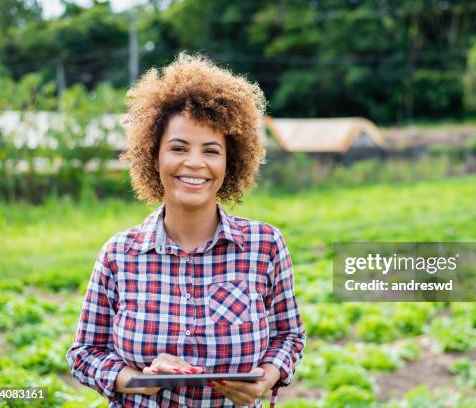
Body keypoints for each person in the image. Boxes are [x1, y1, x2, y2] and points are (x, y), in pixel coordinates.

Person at [66, 53, 306, 408]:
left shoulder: (265, 245)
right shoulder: (119, 254)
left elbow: (288, 336)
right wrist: (134, 381)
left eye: (211, 151)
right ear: (154, 156)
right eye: (178, 148)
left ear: (230, 162)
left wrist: (266, 377)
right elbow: (85, 353)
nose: (194, 163)